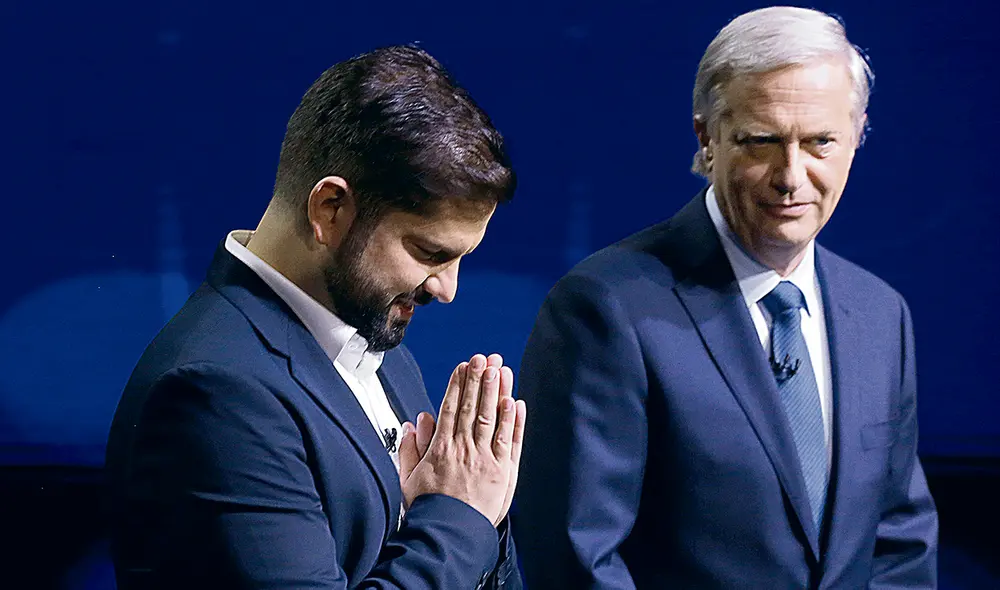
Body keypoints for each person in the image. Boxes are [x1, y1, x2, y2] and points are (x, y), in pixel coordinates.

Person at [513, 7, 938, 588]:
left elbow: (900, 540)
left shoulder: (880, 315)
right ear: (706, 138)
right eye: (762, 141)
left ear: (858, 134)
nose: (792, 176)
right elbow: (576, 559)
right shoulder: (605, 308)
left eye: (820, 142)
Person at [105, 45, 526, 590]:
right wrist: (461, 517)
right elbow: (450, 533)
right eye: (429, 253)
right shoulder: (215, 392)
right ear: (330, 207)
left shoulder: (378, 350)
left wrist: (481, 506)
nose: (447, 290)